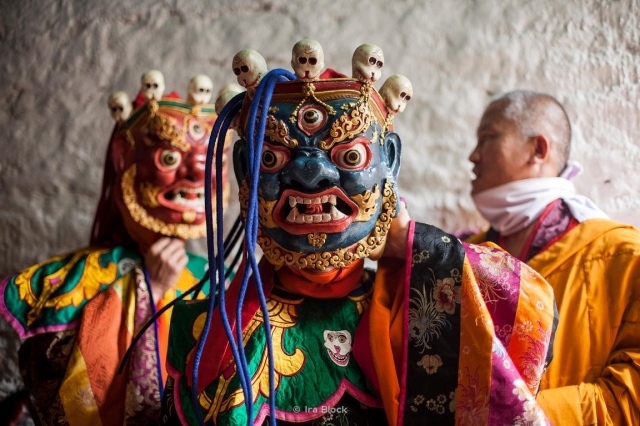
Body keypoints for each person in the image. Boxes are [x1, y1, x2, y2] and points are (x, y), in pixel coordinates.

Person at [161, 41, 557, 425]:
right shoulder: (200, 335)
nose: (311, 175)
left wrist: (418, 244)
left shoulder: (417, 311)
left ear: (390, 161)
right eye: (273, 158)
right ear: (244, 171)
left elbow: (533, 313)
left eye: (350, 156)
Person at [0, 71, 232, 425]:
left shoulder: (223, 278)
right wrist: (149, 291)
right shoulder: (68, 281)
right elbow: (59, 398)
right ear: (125, 159)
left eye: (207, 161)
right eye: (170, 159)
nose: (195, 175)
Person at [466, 90, 640, 425]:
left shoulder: (622, 254)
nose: (473, 156)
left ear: (538, 149)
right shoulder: (467, 252)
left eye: (487, 138)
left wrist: (514, 415)